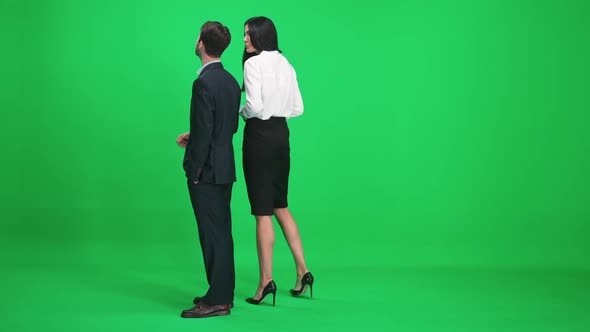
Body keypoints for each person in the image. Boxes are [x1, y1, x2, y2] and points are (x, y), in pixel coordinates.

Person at [240, 16, 314, 306]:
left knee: (262, 212)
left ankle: (265, 281)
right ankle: (302, 271)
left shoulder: (252, 64)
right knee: (280, 204)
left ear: (261, 36)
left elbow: (255, 106)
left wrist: (241, 111)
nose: (245, 39)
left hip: (259, 137)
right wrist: (276, 108)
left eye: (248, 34)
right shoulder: (286, 64)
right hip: (282, 135)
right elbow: (298, 108)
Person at [176, 21, 241, 318]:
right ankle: (220, 293)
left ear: (201, 43)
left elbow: (205, 128)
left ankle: (218, 301)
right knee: (221, 233)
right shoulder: (229, 80)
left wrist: (194, 169)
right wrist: (198, 136)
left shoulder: (203, 82)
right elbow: (229, 126)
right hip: (225, 165)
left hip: (208, 170)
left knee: (211, 234)